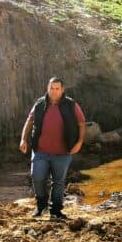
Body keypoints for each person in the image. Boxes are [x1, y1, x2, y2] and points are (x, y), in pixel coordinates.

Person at [19, 77, 86, 219]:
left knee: (59, 182)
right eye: (51, 88)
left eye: (57, 88)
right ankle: (41, 206)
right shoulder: (39, 104)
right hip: (40, 151)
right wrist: (23, 139)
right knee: (37, 177)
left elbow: (81, 124)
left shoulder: (71, 105)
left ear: (62, 90)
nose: (54, 91)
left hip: (63, 153)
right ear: (47, 89)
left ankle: (56, 210)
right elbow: (29, 121)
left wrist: (79, 143)